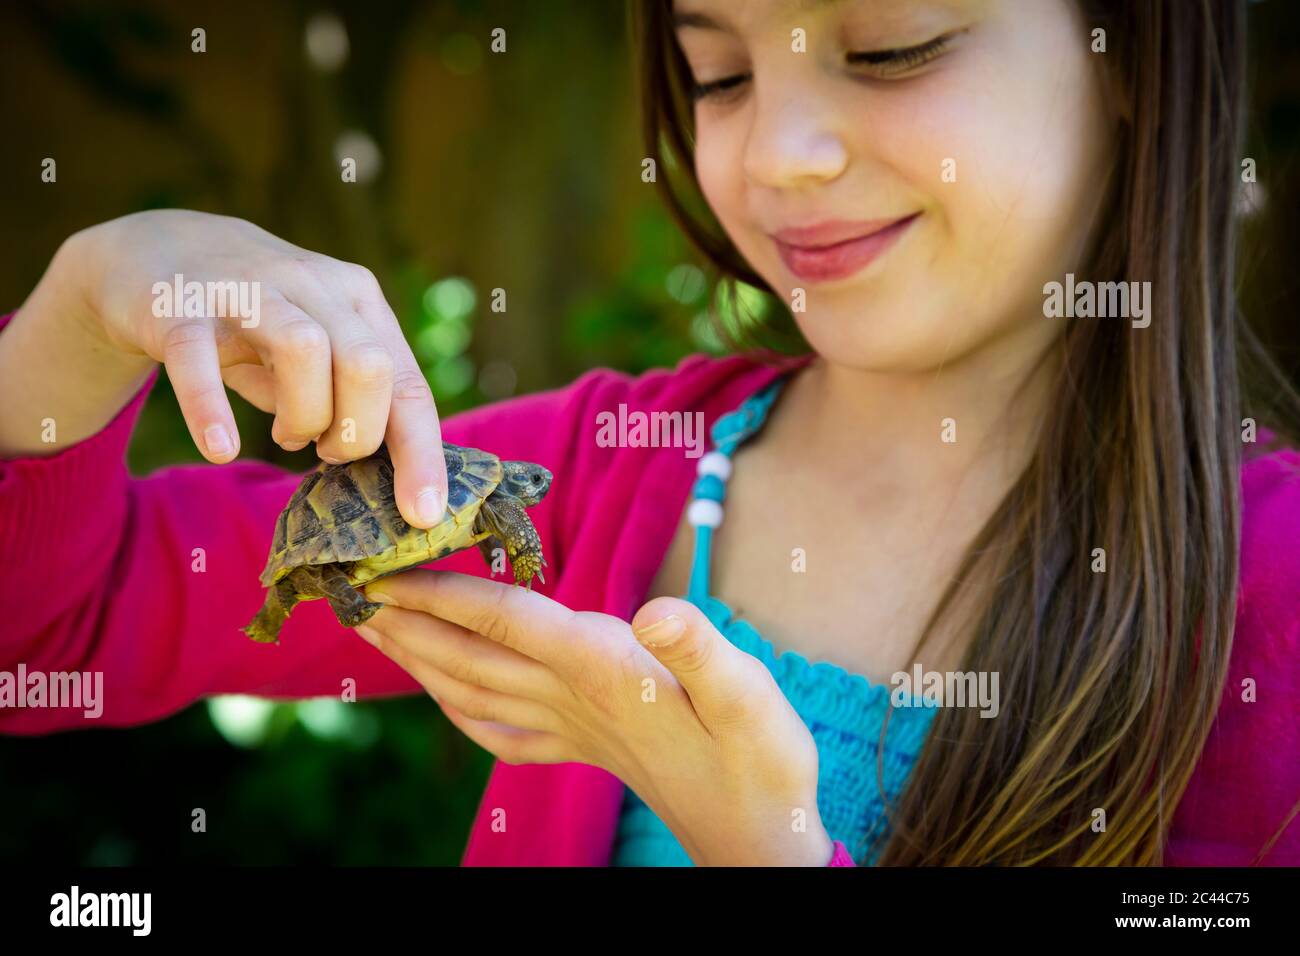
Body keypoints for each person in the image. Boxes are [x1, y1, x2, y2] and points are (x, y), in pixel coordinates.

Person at [2, 0, 1297, 866]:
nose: (778, 152)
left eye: (893, 45)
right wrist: (81, 312)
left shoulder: (1269, 594)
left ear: (1130, 52)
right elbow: (47, 635)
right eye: (717, 72)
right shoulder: (601, 468)